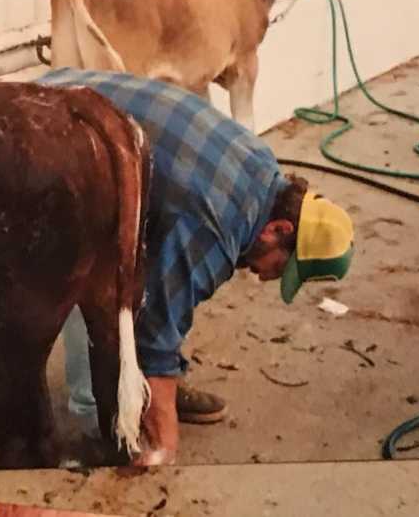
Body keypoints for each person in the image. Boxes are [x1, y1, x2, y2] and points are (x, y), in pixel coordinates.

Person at [37, 68, 355, 466]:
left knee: (152, 269)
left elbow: (169, 283)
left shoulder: (261, 169)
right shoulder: (218, 225)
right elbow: (159, 323)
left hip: (67, 89)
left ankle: (145, 393)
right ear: (278, 229)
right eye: (282, 267)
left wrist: (162, 381)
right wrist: (165, 432)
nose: (270, 277)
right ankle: (97, 421)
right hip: (43, 134)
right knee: (84, 263)